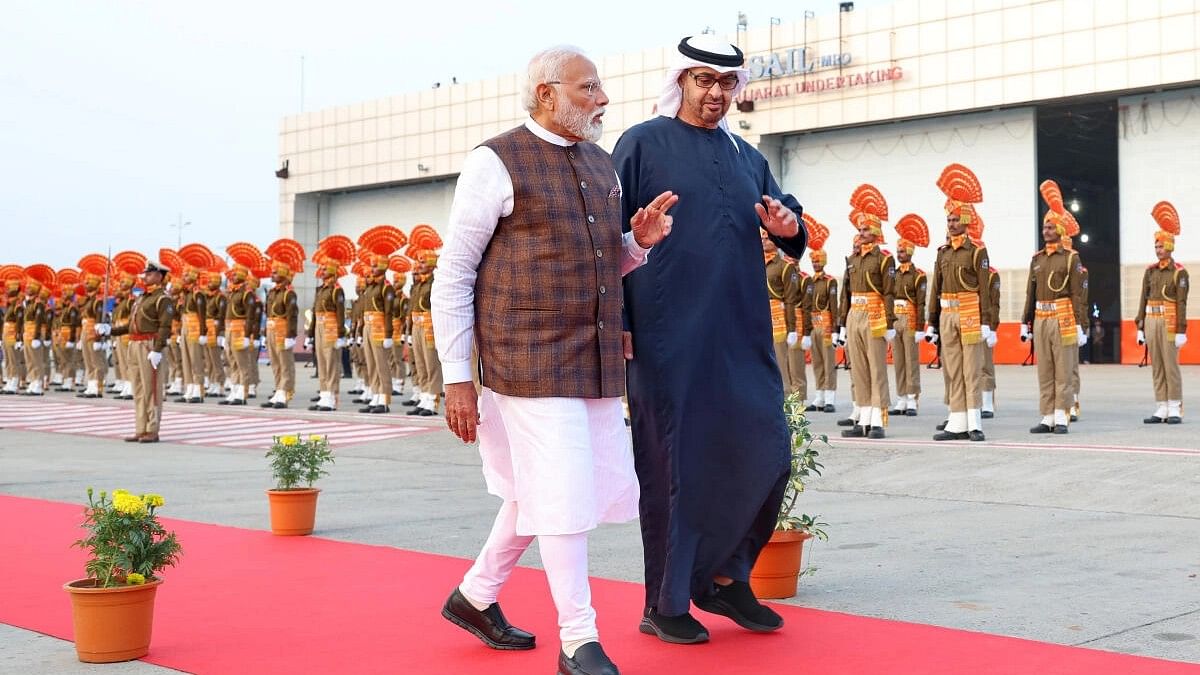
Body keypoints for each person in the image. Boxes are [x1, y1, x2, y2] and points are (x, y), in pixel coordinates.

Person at [433, 45, 673, 675]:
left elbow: (598, 262)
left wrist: (635, 245)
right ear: (547, 93)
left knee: (540, 490)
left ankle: (475, 597)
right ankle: (579, 640)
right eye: (588, 87)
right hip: (524, 359)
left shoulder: (600, 163)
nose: (602, 98)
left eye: (599, 86)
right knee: (562, 492)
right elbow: (454, 274)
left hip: (591, 359)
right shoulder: (494, 161)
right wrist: (458, 377)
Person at [613, 35, 806, 644]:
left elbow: (787, 215)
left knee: (767, 449)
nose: (715, 94)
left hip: (742, 331)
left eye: (726, 84)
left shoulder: (748, 157)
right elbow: (605, 239)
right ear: (681, 82)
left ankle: (727, 578)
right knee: (676, 465)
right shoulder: (641, 143)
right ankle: (664, 602)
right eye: (704, 81)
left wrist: (788, 226)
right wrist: (615, 322)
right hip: (667, 335)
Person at [926, 164, 992, 441]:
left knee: (971, 368)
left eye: (956, 220)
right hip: (947, 313)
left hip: (969, 311)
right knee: (952, 367)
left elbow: (985, 289)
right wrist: (931, 322)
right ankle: (957, 421)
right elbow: (936, 288)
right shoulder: (942, 252)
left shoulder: (977, 251)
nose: (952, 224)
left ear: (966, 221)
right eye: (949, 220)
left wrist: (988, 321)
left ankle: (974, 422)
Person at [1021, 180, 1086, 434]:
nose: (1046, 231)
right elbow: (1030, 292)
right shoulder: (1036, 259)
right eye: (1044, 227)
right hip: (1041, 318)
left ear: (1060, 229)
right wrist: (1025, 322)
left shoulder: (1071, 258)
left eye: (1050, 227)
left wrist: (1082, 325)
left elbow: (1077, 294)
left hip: (1063, 317)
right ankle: (1047, 415)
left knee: (1063, 369)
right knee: (1044, 368)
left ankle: (1062, 415)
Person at [839, 185, 895, 439]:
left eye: (865, 229)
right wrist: (842, 323)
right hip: (855, 314)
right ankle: (862, 418)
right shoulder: (852, 259)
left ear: (875, 232)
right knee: (858, 367)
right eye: (859, 230)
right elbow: (846, 291)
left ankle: (878, 419)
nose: (860, 233)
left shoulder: (884, 259)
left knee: (876, 368)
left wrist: (891, 323)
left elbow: (889, 292)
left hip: (875, 314)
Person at [97, 261, 175, 443]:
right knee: (138, 389)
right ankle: (141, 428)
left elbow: (165, 326)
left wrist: (157, 349)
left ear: (159, 276)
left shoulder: (162, 299)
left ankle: (152, 429)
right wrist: (110, 330)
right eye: (145, 274)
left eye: (149, 274)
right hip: (134, 344)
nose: (145, 276)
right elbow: (132, 326)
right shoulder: (142, 298)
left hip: (149, 345)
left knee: (152, 389)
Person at [1136, 201, 1188, 424]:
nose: (1158, 250)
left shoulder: (1179, 273)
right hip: (1151, 320)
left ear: (1170, 247)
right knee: (1157, 364)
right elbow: (1142, 298)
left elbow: (1182, 303)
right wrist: (1140, 325)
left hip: (1169, 321)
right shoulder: (1150, 271)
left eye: (1161, 246)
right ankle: (1161, 406)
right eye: (1156, 246)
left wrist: (1181, 330)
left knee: (1170, 365)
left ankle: (1175, 405)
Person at [355, 225, 405, 414]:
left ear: (384, 266)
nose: (371, 269)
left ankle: (384, 397)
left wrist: (388, 334)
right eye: (371, 265)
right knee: (371, 362)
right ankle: (375, 394)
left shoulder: (386, 288)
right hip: (368, 327)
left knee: (381, 362)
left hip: (379, 329)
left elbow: (389, 312)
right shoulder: (370, 287)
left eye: (375, 266)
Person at [307, 235, 352, 411]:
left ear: (333, 270)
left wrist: (341, 334)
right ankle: (324, 395)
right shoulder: (321, 289)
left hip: (331, 329)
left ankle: (332, 397)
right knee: (322, 362)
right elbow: (314, 312)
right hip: (319, 328)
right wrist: (311, 333)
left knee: (331, 363)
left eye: (325, 268)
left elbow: (340, 313)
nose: (322, 270)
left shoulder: (336, 290)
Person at [889, 214, 929, 417]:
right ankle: (901, 397)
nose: (900, 254)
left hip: (911, 318)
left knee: (911, 359)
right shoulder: (893, 273)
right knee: (898, 359)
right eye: (898, 251)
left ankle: (913, 398)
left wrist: (921, 327)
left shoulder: (918, 275)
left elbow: (921, 302)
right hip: (895, 317)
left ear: (910, 252)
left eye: (903, 251)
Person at [406, 226, 444, 417]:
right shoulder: (418, 285)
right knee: (420, 363)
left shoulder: (435, 283)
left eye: (421, 262)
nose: (418, 265)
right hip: (417, 326)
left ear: (430, 263)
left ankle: (433, 399)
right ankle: (424, 396)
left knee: (431, 364)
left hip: (429, 327)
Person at [262, 239, 304, 409]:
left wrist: (290, 335)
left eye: (274, 272)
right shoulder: (272, 292)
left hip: (282, 331)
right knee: (275, 362)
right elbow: (268, 313)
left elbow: (292, 315)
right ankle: (278, 389)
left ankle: (285, 392)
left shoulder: (289, 294)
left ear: (284, 274)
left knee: (285, 363)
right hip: (272, 330)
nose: (271, 274)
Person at [803, 217, 838, 412]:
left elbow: (833, 305)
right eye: (813, 261)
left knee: (828, 361)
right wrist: (806, 331)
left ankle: (830, 396)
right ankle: (819, 396)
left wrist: (834, 329)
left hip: (825, 325)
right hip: (814, 325)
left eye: (818, 261)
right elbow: (807, 306)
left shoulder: (830, 281)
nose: (816, 264)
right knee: (816, 361)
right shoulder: (809, 282)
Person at [764, 231, 802, 401]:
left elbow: (790, 299)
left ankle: (787, 405)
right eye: (762, 238)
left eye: (767, 238)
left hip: (778, 320)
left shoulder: (784, 266)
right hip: (760, 319)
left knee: (781, 364)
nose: (764, 240)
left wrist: (792, 328)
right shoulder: (755, 263)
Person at [980, 265, 1001, 418]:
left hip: (983, 323)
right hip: (965, 320)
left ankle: (987, 403)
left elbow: (994, 303)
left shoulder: (991, 274)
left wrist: (992, 327)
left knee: (985, 364)